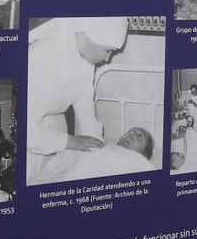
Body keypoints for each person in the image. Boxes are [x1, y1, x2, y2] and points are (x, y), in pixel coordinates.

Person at [25, 18, 128, 184]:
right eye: (108, 50)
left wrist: (98, 149)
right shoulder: (43, 54)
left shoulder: (86, 61)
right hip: (34, 143)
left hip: (57, 132)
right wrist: (72, 142)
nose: (107, 59)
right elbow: (27, 132)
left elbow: (84, 107)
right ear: (93, 36)